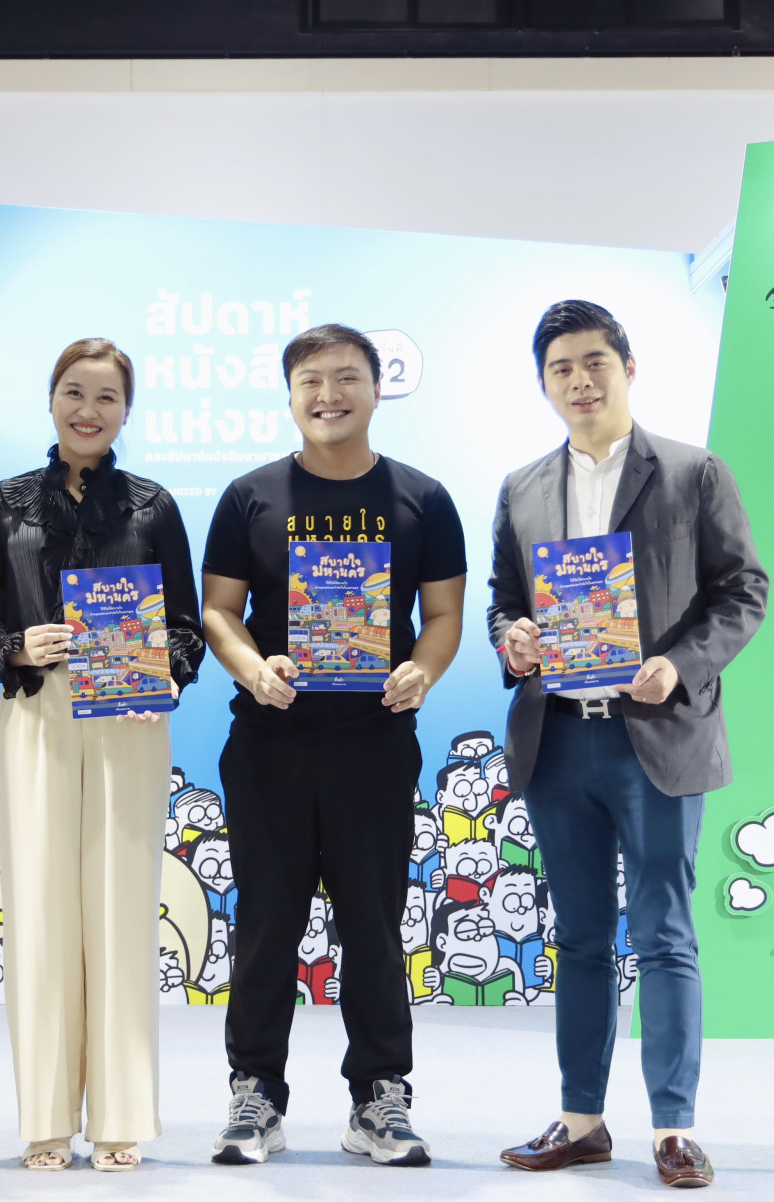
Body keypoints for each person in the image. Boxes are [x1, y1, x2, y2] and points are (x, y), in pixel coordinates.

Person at [488, 300, 767, 1189]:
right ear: (544, 383)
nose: (579, 380)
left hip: (657, 736)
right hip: (559, 742)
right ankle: (581, 1122)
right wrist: (512, 639)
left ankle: (674, 1129)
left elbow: (744, 591)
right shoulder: (522, 488)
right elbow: (504, 599)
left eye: (594, 362)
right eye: (561, 367)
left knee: (664, 935)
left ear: (629, 367)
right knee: (579, 937)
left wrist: (679, 666)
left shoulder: (693, 472)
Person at [200, 323, 466, 1167]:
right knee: (266, 924)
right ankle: (255, 1094)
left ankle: (379, 1096)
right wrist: (253, 669)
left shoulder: (423, 498)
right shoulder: (250, 497)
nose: (329, 395)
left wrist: (422, 671)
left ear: (377, 388)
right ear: (290, 396)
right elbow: (219, 611)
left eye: (347, 377)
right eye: (311, 380)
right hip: (270, 744)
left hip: (374, 745)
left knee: (374, 926)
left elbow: (444, 616)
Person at [0, 337, 205, 1173]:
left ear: (126, 410)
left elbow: (185, 627)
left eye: (106, 397)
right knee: (38, 913)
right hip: (36, 713)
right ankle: (44, 1119)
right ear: (51, 400)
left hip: (130, 718)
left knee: (122, 913)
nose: (88, 410)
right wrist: (17, 646)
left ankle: (120, 1118)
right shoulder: (4, 504)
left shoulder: (153, 506)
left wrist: (166, 673)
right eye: (74, 392)